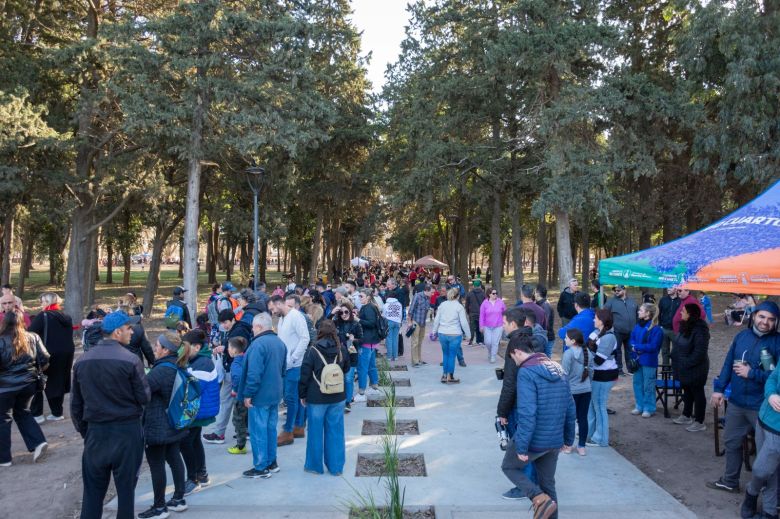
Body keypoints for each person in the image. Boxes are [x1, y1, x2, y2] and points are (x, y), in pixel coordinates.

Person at [71, 311, 150, 519]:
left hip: (96, 433)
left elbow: (76, 406)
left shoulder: (82, 361)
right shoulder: (131, 360)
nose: (132, 332)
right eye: (128, 328)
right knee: (126, 494)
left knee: (92, 494)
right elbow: (144, 397)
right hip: (126, 433)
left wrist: (86, 432)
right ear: (117, 332)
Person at [708, 301, 780, 494]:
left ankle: (767, 492)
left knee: (766, 453)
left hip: (762, 407)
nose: (766, 322)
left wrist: (751, 373)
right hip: (737, 403)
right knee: (731, 442)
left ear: (776, 322)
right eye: (762, 317)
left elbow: (776, 378)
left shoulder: (777, 343)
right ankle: (730, 481)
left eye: (771, 319)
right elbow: (728, 364)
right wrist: (719, 389)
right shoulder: (742, 336)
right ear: (754, 315)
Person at [501, 334, 575, 519]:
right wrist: (568, 439)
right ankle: (547, 505)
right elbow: (570, 407)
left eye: (512, 358)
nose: (514, 362)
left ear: (517, 352)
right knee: (548, 484)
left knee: (509, 467)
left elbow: (527, 412)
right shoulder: (558, 368)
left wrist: (522, 446)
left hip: (534, 440)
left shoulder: (526, 372)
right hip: (554, 440)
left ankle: (538, 497)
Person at [137, 332, 190, 519]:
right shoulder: (177, 365)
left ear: (166, 349)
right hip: (174, 423)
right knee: (174, 457)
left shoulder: (161, 370)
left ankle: (159, 507)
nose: (154, 348)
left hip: (157, 425)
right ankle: (178, 498)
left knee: (156, 465)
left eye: (157, 345)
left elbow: (142, 392)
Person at [299, 320, 350, 475]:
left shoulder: (312, 350)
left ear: (319, 332)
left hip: (316, 397)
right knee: (336, 432)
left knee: (315, 432)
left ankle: (314, 466)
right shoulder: (341, 349)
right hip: (338, 396)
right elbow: (346, 368)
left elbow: (305, 375)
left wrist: (302, 394)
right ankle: (336, 467)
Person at [240, 312, 287, 479]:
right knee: (270, 429)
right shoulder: (280, 343)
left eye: (253, 327)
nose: (252, 330)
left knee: (258, 431)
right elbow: (283, 369)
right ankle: (271, 462)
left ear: (259, 327)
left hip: (260, 395)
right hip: (275, 393)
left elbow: (254, 374)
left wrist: (248, 394)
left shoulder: (258, 345)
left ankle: (261, 467)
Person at [0, 309, 49, 467]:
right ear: (22, 321)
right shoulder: (33, 337)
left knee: (3, 419)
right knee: (23, 413)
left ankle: (4, 458)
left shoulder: (1, 340)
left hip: (5, 387)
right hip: (28, 384)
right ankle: (38, 441)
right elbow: (45, 358)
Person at [202, 309, 252, 445]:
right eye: (222, 323)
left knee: (225, 400)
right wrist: (224, 348)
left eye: (225, 322)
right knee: (237, 403)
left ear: (232, 319)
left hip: (232, 369)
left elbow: (239, 350)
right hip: (235, 368)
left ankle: (219, 433)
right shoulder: (239, 328)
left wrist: (225, 350)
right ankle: (245, 430)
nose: (223, 325)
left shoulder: (238, 331)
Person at [180, 329, 220, 495]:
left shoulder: (202, 363)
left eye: (185, 346)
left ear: (196, 347)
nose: (183, 350)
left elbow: (194, 388)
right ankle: (201, 475)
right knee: (194, 440)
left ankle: (193, 479)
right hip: (198, 410)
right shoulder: (198, 360)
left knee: (186, 442)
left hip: (198, 410)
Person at [740, 361, 780, 519]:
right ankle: (770, 511)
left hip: (777, 429)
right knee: (771, 468)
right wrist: (771, 395)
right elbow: (773, 378)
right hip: (764, 419)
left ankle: (751, 493)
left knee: (761, 469)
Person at [28, 292, 75, 423]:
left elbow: (30, 333)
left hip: (46, 354)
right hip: (66, 353)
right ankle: (57, 412)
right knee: (57, 381)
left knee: (38, 381)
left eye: (42, 301)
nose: (41, 304)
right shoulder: (66, 316)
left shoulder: (43, 316)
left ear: (48, 302)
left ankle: (37, 414)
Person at [270, 294, 309, 446]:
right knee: (294, 397)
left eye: (273, 308)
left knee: (290, 397)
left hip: (295, 365)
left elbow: (304, 338)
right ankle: (298, 426)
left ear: (279, 304)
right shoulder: (282, 318)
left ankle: (288, 431)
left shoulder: (296, 316)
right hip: (286, 364)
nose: (272, 312)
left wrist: (294, 358)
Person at [670, 303, 710, 432]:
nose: (681, 313)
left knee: (697, 393)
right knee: (686, 391)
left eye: (683, 311)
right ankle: (686, 415)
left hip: (696, 368)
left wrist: (687, 362)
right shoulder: (685, 326)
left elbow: (700, 352)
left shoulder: (700, 329)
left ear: (690, 314)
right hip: (683, 366)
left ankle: (699, 421)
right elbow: (679, 343)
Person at [586, 308, 618, 447]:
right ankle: (591, 433)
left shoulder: (609, 337)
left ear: (602, 321)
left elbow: (599, 360)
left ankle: (601, 439)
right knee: (594, 405)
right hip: (597, 375)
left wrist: (587, 356)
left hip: (605, 375)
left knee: (599, 406)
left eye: (596, 318)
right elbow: (589, 345)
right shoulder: (597, 333)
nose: (593, 320)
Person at [629, 303, 663, 418]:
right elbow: (632, 338)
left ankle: (649, 408)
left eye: (641, 310)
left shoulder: (656, 329)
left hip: (648, 361)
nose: (638, 312)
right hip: (637, 359)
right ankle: (639, 406)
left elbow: (653, 346)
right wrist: (633, 346)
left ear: (648, 313)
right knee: (637, 383)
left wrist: (637, 347)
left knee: (648, 385)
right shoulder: (637, 326)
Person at [561, 328, 591, 456]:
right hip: (586, 389)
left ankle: (568, 446)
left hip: (571, 391)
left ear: (573, 341)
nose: (564, 339)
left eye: (566, 338)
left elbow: (564, 374)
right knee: (583, 418)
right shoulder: (587, 352)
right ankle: (582, 446)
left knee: (569, 419)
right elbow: (591, 370)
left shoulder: (568, 354)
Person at [432, 288, 471, 384]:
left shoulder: (442, 305)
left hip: (442, 333)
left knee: (445, 354)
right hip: (455, 334)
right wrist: (468, 335)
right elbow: (464, 322)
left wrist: (434, 331)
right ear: (457, 296)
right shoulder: (459, 307)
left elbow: (436, 319)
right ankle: (450, 375)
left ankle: (444, 375)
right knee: (452, 355)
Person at [332, 301, 362, 412]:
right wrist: (331, 313)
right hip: (338, 355)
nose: (343, 314)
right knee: (339, 378)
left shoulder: (355, 324)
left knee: (348, 379)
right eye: (341, 312)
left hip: (351, 355)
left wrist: (354, 340)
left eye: (346, 312)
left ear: (350, 312)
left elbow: (362, 339)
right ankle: (340, 400)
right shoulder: (335, 323)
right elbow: (322, 325)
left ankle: (347, 401)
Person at [354, 289, 382, 400]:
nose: (359, 298)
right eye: (359, 296)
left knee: (362, 367)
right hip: (370, 342)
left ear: (368, 297)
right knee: (371, 365)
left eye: (361, 296)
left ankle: (361, 391)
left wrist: (358, 319)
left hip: (367, 341)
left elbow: (371, 323)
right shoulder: (370, 306)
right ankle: (374, 386)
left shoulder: (369, 307)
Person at [604, 284, 637, 376]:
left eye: (618, 290)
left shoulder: (632, 301)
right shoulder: (611, 302)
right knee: (617, 350)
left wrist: (637, 327)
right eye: (615, 290)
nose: (616, 291)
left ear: (624, 290)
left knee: (630, 350)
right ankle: (619, 370)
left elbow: (637, 315)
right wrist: (609, 326)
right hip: (617, 331)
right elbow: (605, 314)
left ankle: (631, 369)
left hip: (631, 331)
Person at [226, 337, 249, 455]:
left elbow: (238, 378)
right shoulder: (246, 358)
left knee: (238, 420)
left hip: (240, 396)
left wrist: (235, 389)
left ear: (234, 350)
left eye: (229, 347)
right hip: (249, 395)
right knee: (246, 419)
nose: (227, 349)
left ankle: (240, 446)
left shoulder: (235, 363)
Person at [408, 284, 432, 367]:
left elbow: (427, 309)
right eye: (431, 292)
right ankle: (415, 361)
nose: (432, 294)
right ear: (427, 291)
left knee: (420, 342)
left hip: (423, 322)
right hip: (416, 321)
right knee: (415, 342)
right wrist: (409, 322)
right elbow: (411, 310)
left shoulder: (428, 298)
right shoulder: (417, 296)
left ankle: (419, 359)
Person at [479, 286, 506, 364]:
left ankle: (493, 356)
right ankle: (490, 352)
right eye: (493, 293)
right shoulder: (484, 303)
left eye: (496, 293)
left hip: (498, 326)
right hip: (487, 326)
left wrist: (504, 322)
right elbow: (481, 315)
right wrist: (481, 325)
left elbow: (505, 312)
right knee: (487, 342)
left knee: (495, 342)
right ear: (489, 294)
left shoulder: (500, 302)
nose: (495, 295)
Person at [657, 287, 680, 366]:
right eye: (668, 287)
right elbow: (658, 314)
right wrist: (660, 326)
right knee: (664, 350)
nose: (668, 289)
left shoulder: (680, 300)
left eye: (671, 287)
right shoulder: (663, 300)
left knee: (676, 350)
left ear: (676, 289)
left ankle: (674, 369)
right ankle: (665, 368)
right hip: (664, 329)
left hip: (676, 330)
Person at [535, 285, 555, 358]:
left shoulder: (545, 305)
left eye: (535, 291)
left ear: (537, 293)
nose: (533, 294)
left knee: (546, 359)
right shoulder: (539, 304)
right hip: (542, 337)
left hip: (547, 338)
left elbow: (545, 324)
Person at [382, 291, 403, 361]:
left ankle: (389, 356)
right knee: (395, 339)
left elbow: (384, 315)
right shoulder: (399, 304)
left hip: (389, 322)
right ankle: (395, 356)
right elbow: (400, 314)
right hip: (397, 322)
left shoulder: (386, 304)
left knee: (389, 339)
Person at [465, 280, 486, 346]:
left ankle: (471, 341)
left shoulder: (469, 294)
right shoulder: (483, 294)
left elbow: (467, 305)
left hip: (472, 313)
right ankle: (481, 341)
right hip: (481, 313)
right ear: (480, 286)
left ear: (473, 286)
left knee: (472, 327)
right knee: (480, 327)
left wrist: (468, 312)